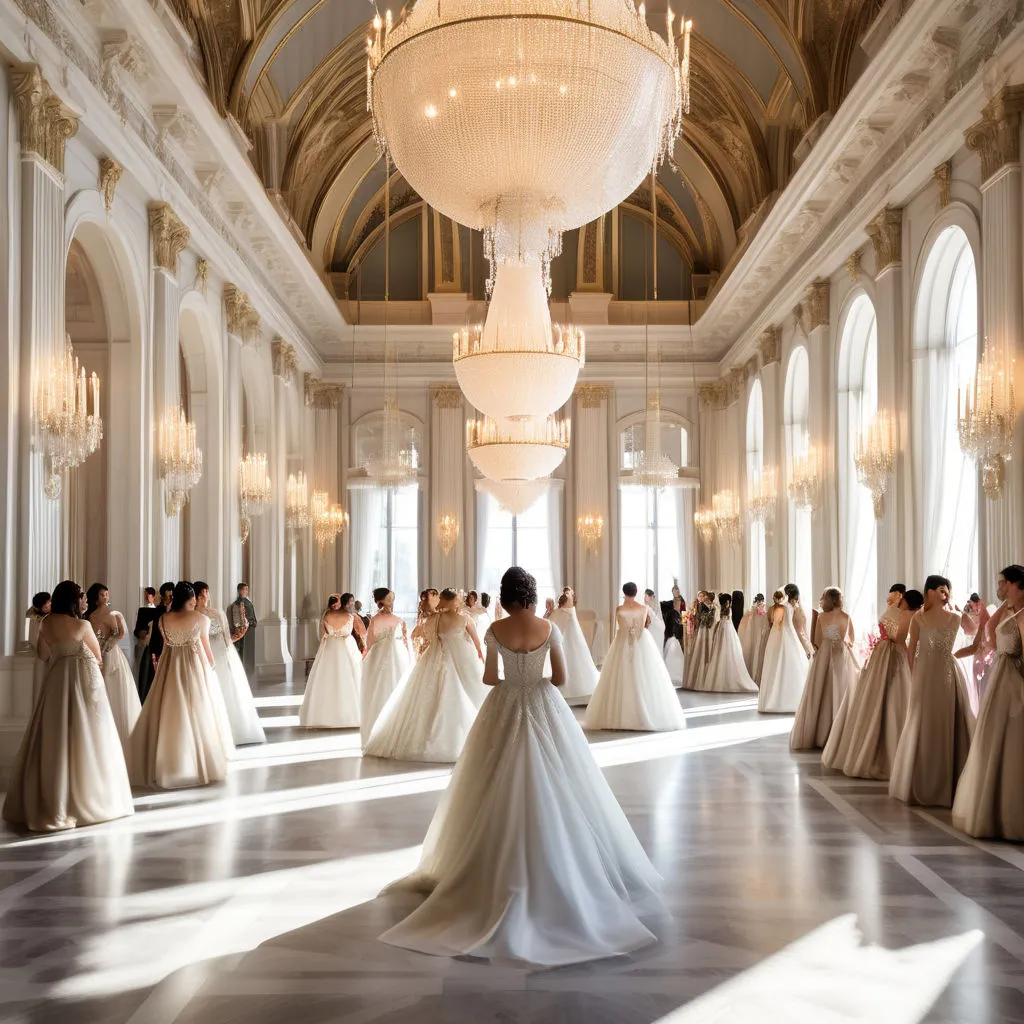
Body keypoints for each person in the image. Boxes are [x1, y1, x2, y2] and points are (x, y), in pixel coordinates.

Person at [378, 566, 664, 966]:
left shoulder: (496, 630)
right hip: (545, 704)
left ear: (506, 595)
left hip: (505, 703)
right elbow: (560, 679)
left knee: (490, 779)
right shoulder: (550, 629)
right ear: (531, 594)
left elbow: (490, 677)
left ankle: (488, 867)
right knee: (565, 782)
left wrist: (513, 680)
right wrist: (535, 680)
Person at [3, 580, 134, 832]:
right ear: (75, 601)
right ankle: (85, 795)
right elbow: (97, 657)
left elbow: (43, 654)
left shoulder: (46, 623)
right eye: (82, 598)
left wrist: (62, 652)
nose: (85, 601)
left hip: (55, 682)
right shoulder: (82, 624)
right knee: (84, 734)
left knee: (52, 735)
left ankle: (47, 798)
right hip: (80, 683)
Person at [130, 581, 234, 789]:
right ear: (192, 599)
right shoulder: (200, 619)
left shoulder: (163, 619)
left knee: (168, 711)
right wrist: (211, 668)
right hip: (194, 668)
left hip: (168, 669)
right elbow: (207, 652)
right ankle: (194, 762)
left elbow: (163, 646)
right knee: (197, 712)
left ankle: (166, 760)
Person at [364, 588, 486, 762]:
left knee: (430, 697)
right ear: (456, 601)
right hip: (459, 658)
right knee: (460, 693)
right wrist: (479, 655)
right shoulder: (464, 618)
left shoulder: (436, 618)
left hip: (435, 657)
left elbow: (421, 635)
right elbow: (476, 642)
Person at [889, 575, 974, 808]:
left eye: (947, 589)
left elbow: (975, 631)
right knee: (923, 723)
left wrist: (962, 609)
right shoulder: (919, 618)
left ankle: (950, 784)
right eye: (940, 589)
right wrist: (913, 674)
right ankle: (924, 782)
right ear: (929, 592)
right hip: (924, 676)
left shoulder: (956, 617)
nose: (944, 593)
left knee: (945, 722)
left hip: (947, 674)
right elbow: (911, 648)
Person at [952, 565, 1024, 840]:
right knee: (993, 742)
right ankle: (993, 806)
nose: (1000, 588)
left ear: (1017, 584)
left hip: (1014, 682)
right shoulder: (1010, 611)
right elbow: (991, 635)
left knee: (1011, 744)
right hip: (1001, 680)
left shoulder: (1022, 615)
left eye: (1004, 583)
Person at [823, 588, 921, 779]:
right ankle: (891, 754)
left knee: (872, 697)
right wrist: (910, 662)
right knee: (895, 696)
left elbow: (886, 631)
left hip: (880, 652)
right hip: (894, 654)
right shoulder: (910, 615)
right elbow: (900, 640)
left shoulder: (892, 609)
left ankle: (863, 748)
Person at [584, 582, 686, 732]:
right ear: (636, 592)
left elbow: (620, 626)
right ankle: (645, 711)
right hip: (641, 641)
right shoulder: (643, 608)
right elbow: (643, 627)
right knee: (644, 675)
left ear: (624, 593)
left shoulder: (619, 609)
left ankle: (617, 716)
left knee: (620, 676)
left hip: (622, 642)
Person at [195, 581, 265, 745]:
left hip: (220, 655)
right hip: (201, 656)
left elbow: (227, 639)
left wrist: (241, 633)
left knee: (226, 690)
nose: (205, 596)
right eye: (201, 593)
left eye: (206, 592)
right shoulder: (192, 616)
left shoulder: (217, 613)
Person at [790, 588, 859, 751]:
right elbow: (852, 639)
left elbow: (817, 640)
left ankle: (820, 732)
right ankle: (839, 732)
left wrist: (825, 646)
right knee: (842, 687)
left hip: (825, 653)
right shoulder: (846, 617)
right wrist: (844, 643)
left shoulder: (822, 616)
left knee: (822, 690)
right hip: (841, 653)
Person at [84, 583, 141, 755]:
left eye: (107, 594)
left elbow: (121, 632)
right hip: (96, 652)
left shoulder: (112, 613)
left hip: (110, 653)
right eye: (102, 595)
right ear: (95, 597)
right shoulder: (90, 615)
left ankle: (117, 728)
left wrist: (110, 642)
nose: (105, 597)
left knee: (112, 685)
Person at [299, 593, 364, 729]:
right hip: (345, 647)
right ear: (348, 603)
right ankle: (349, 715)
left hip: (329, 648)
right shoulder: (350, 617)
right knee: (348, 678)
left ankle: (322, 715)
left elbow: (323, 635)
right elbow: (358, 633)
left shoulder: (327, 616)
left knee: (325, 679)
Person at [361, 587, 411, 746]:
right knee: (380, 689)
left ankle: (397, 729)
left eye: (393, 599)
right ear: (380, 601)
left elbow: (405, 642)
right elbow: (368, 643)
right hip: (381, 658)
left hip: (397, 657)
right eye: (389, 599)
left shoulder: (398, 620)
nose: (392, 602)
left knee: (397, 688)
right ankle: (378, 729)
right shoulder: (375, 620)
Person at [758, 587, 811, 713]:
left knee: (778, 665)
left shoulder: (782, 607)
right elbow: (791, 625)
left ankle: (777, 698)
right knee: (791, 665)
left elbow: (776, 623)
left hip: (777, 636)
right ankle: (790, 699)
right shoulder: (789, 607)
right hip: (787, 635)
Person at [700, 593, 758, 694]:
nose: (728, 603)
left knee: (727, 653)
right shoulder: (723, 609)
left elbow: (721, 620)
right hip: (724, 632)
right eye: (727, 602)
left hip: (727, 632)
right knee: (722, 652)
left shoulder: (725, 610)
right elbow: (719, 620)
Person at [547, 592, 598, 705]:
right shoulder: (565, 612)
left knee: (571, 663)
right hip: (565, 642)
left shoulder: (564, 612)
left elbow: (551, 624)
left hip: (564, 642)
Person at [138, 582, 173, 701]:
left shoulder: (175, 611)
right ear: (163, 597)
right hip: (159, 650)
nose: (171, 599)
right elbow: (156, 635)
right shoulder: (160, 611)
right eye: (169, 597)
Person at [681, 591, 715, 690]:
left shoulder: (707, 606)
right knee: (699, 651)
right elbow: (693, 617)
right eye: (699, 596)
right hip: (698, 630)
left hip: (704, 630)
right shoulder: (697, 605)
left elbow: (707, 619)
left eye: (702, 596)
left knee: (704, 649)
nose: (700, 597)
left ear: (705, 597)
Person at [228, 583, 258, 680]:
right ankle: (243, 671)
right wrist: (244, 626)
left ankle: (248, 671)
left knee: (248, 651)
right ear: (239, 590)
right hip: (244, 630)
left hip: (250, 630)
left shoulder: (247, 602)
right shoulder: (238, 604)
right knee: (243, 651)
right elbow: (238, 619)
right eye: (244, 589)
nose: (246, 591)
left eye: (247, 589)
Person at [132, 586, 159, 676]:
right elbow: (137, 628)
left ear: (154, 596)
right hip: (142, 641)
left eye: (149, 595)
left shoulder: (158, 610)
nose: (147, 597)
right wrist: (139, 633)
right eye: (146, 595)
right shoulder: (142, 610)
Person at [737, 594, 765, 676]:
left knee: (751, 647)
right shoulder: (759, 608)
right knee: (755, 647)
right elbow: (761, 615)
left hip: (753, 630)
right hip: (757, 629)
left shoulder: (751, 609)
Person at [644, 588, 665, 653]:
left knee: (653, 646)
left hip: (655, 627)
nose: (644, 598)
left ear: (650, 597)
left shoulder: (649, 606)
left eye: (645, 596)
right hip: (659, 626)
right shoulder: (653, 604)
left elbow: (653, 618)